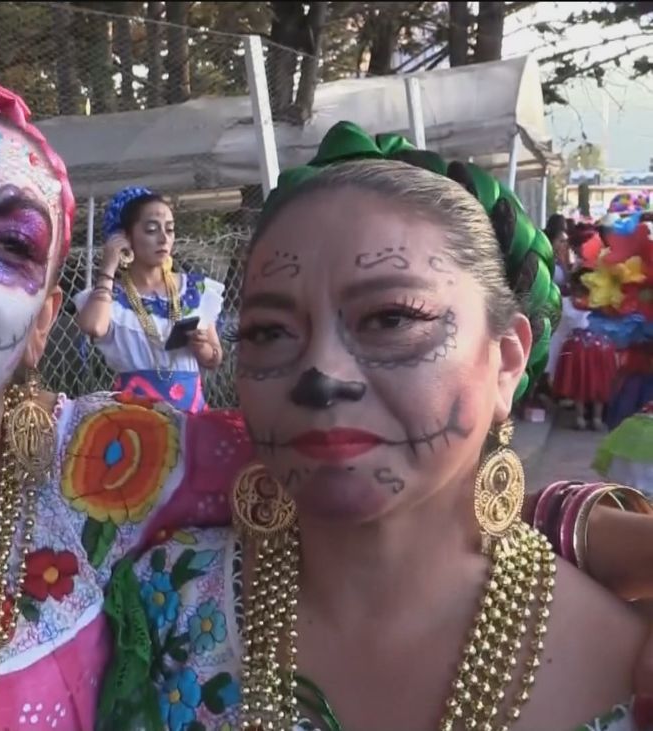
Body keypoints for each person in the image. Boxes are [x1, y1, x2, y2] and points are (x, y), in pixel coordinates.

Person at [0, 77, 653, 731]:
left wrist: (582, 526)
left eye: (7, 249)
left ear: (44, 320)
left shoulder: (125, 465)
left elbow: (370, 476)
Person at [99, 123, 653, 731]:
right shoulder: (159, 608)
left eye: (390, 318)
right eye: (268, 331)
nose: (319, 374)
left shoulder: (624, 671)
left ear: (508, 359)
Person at [74, 187, 226, 413]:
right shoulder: (109, 298)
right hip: (135, 422)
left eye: (170, 229)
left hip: (192, 417)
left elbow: (214, 359)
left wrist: (203, 347)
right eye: (152, 230)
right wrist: (108, 267)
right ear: (126, 237)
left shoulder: (195, 289)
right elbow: (94, 326)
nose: (164, 238)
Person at [553, 273, 618, 430]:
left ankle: (580, 418)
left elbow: (561, 328)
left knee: (579, 381)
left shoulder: (567, 303)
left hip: (577, 345)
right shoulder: (606, 302)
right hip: (602, 345)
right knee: (600, 382)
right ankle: (596, 418)